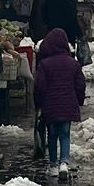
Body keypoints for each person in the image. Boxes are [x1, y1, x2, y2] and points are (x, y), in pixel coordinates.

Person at [34, 28, 87, 177]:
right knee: (65, 134)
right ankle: (64, 162)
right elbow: (80, 85)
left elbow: (40, 87)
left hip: (50, 105)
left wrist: (38, 104)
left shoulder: (44, 64)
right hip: (68, 104)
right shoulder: (73, 64)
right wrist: (78, 101)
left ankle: (53, 165)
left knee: (52, 134)